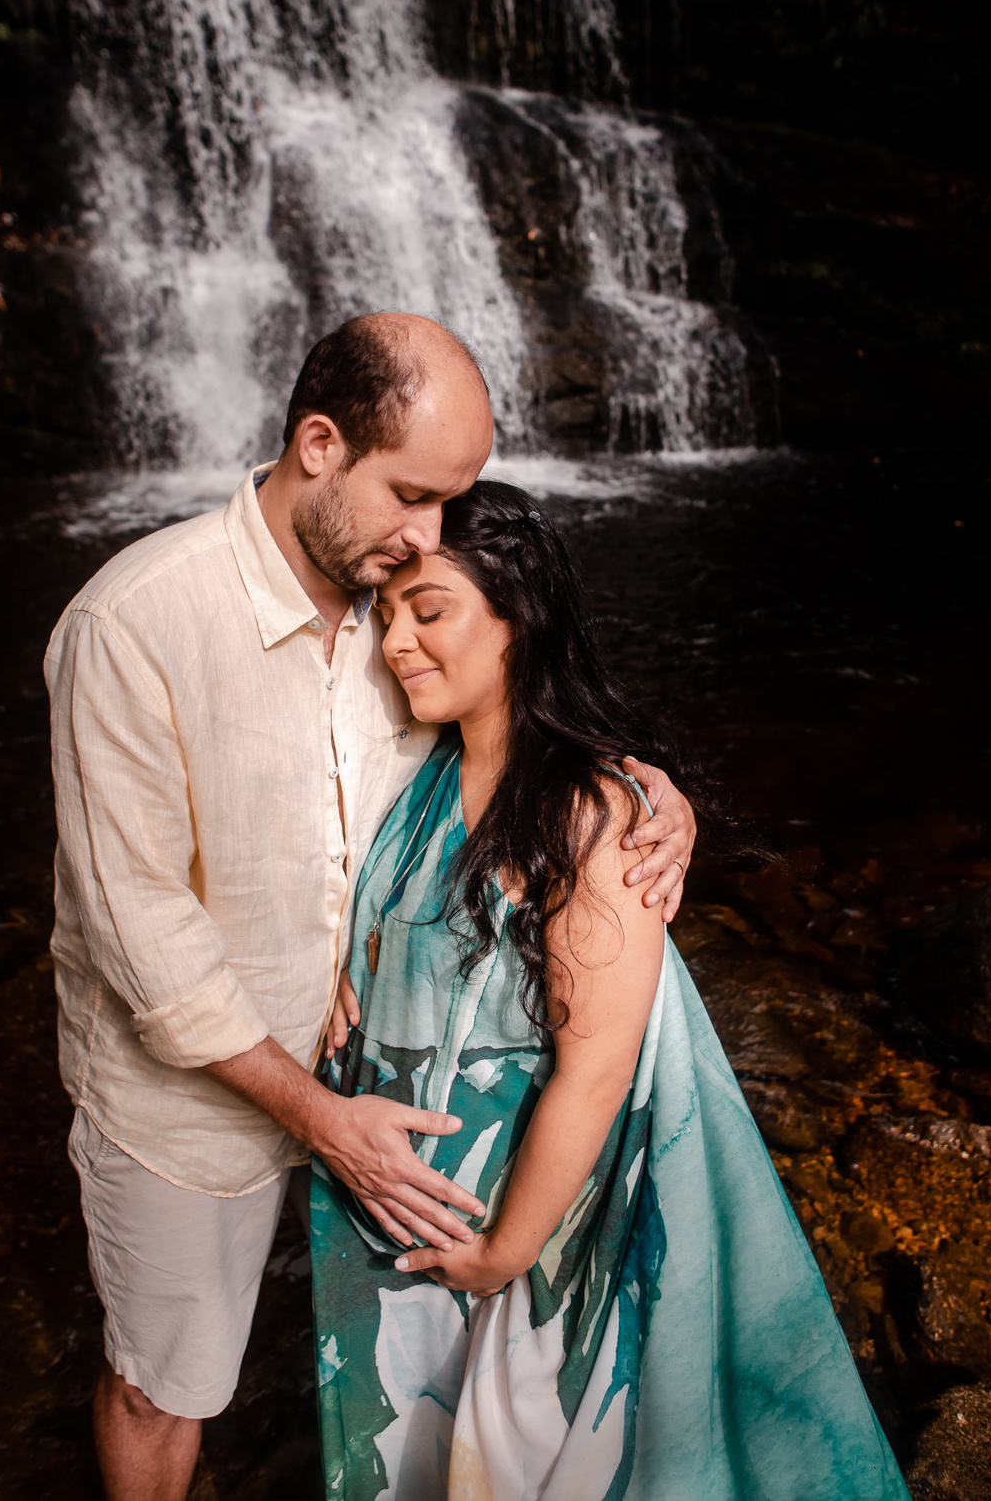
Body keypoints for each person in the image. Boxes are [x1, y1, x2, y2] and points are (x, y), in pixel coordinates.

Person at [45, 313, 695, 1501]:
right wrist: (314, 1114)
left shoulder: (398, 599)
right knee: (166, 1382)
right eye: (410, 495)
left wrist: (649, 793)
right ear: (319, 443)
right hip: (197, 1101)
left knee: (405, 1380)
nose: (428, 536)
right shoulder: (132, 625)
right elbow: (143, 937)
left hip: (387, 1091)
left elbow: (521, 720)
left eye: (449, 505)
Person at [311, 480, 912, 1501]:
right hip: (400, 1222)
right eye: (391, 615)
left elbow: (594, 1073)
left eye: (432, 611)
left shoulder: (588, 815)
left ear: (520, 620)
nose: (397, 644)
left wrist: (507, 1252)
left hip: (538, 1249)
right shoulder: (414, 767)